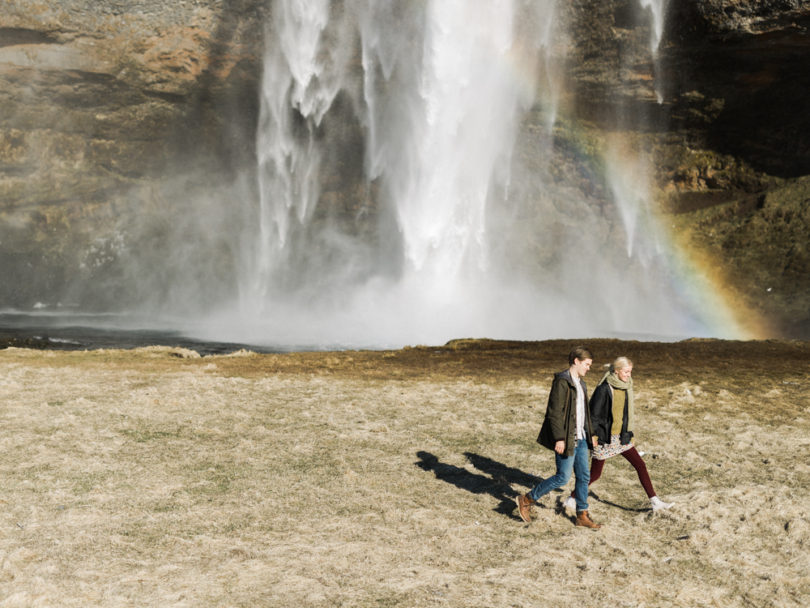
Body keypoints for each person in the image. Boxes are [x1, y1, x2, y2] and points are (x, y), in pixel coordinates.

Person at [562, 356, 673, 512]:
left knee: (640, 465)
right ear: (616, 371)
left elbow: (626, 414)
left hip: (621, 437)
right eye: (626, 372)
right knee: (595, 474)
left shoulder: (627, 386)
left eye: (630, 372)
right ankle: (571, 499)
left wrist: (628, 433)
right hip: (604, 438)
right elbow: (593, 415)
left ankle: (655, 502)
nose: (629, 375)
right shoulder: (604, 389)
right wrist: (593, 436)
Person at [516, 346, 601, 529]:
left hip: (581, 438)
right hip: (567, 438)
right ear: (576, 361)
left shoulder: (582, 384)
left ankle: (582, 515)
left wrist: (591, 433)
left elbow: (584, 413)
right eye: (587, 364)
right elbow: (554, 413)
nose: (589, 368)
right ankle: (527, 499)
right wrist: (559, 438)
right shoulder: (562, 382)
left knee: (584, 476)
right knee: (562, 477)